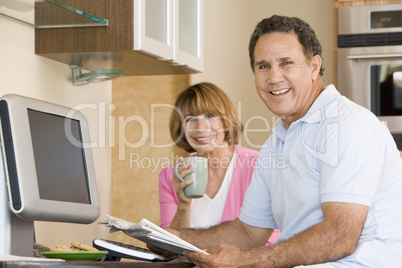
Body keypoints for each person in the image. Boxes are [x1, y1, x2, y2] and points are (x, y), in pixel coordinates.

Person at [163, 15, 402, 267]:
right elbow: (248, 231)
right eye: (263, 66)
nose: (274, 77)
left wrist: (244, 261)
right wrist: (177, 237)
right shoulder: (276, 143)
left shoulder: (348, 125)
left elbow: (339, 237)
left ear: (314, 66)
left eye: (286, 63)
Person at [158, 82, 280, 245]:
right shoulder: (169, 176)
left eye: (210, 116)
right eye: (191, 119)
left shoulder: (259, 165)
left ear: (226, 121)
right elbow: (168, 247)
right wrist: (183, 205)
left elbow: (273, 236)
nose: (200, 127)